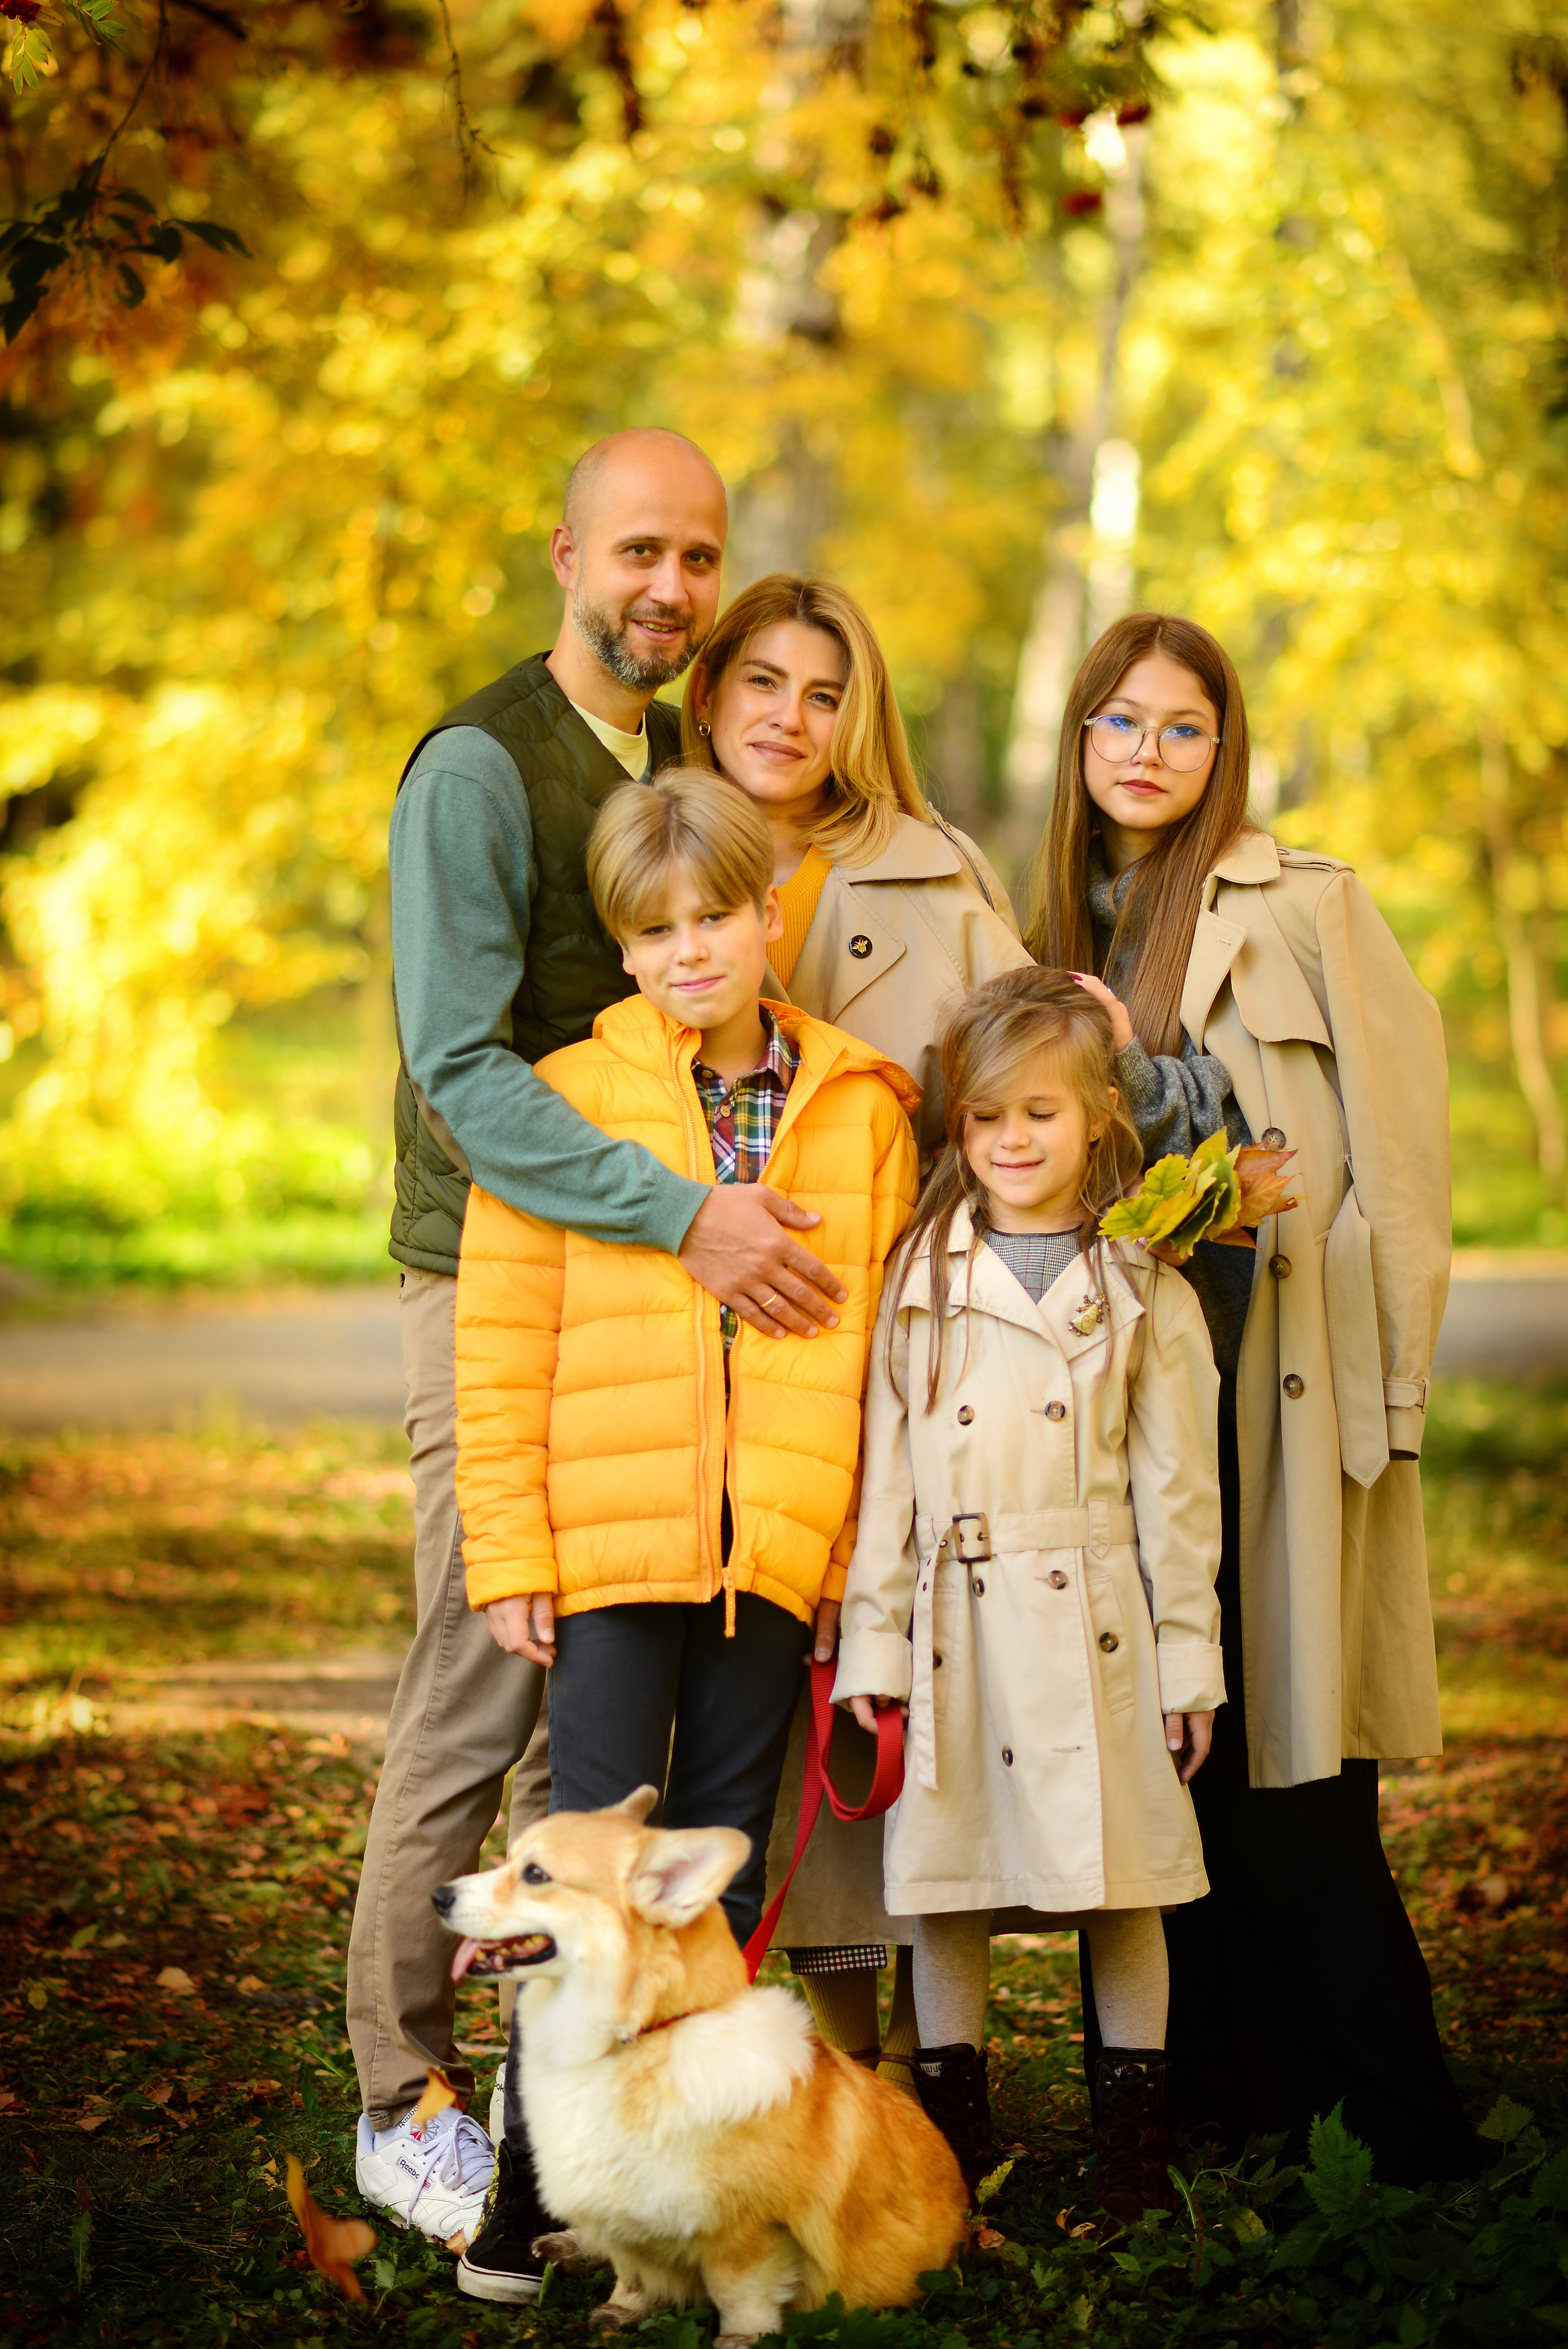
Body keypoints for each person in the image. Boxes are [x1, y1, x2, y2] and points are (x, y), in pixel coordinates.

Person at [350, 429, 850, 2274]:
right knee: (480, 1690)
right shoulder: (482, 768)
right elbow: (460, 1072)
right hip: (490, 1276)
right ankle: (402, 2095)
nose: (670, 586)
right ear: (566, 550)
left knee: (605, 1730)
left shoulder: (662, 759)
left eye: (699, 557)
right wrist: (690, 1215)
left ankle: (599, 2124)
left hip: (636, 1300)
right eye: (641, 548)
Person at [451, 768, 919, 2295]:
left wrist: (847, 1563)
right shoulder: (570, 1101)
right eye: (651, 932)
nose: (688, 952)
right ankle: (531, 2190)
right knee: (575, 1876)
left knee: (708, 1897)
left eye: (714, 915)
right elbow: (503, 1334)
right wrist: (512, 1550)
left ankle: (691, 2198)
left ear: (769, 910)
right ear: (622, 948)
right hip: (608, 1547)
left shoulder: (856, 1106)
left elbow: (879, 1363)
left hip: (770, 1556)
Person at [1027, 609, 1477, 2184]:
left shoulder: (1307, 908)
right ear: (1078, 741)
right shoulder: (1045, 925)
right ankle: (1227, 2114)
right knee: (1171, 1763)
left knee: (1296, 1778)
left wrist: (1391, 1393)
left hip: (1278, 1391)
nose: (1146, 754)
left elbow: (1404, 1160)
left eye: (1182, 728)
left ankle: (1406, 2133)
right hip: (1127, 1403)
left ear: (1223, 752)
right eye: (1119, 724)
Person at [685, 572, 1032, 2071]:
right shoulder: (651, 853)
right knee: (703, 1728)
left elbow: (1013, 1105)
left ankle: (892, 2075)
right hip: (684, 1359)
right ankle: (734, 2062)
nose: (790, 718)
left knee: (859, 1696)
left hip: (876, 1353)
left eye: (824, 695)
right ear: (711, 696)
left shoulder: (936, 877)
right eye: (762, 682)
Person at [832, 966, 1226, 2214]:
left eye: (1040, 1115)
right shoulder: (918, 1280)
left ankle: (1130, 2165)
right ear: (961, 1129)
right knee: (948, 1883)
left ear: (1099, 1118)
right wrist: (875, 1653)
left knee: (1122, 1884)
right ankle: (951, 2156)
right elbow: (886, 1482)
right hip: (955, 1625)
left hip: (1100, 1626)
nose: (1012, 1140)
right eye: (987, 1117)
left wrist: (1188, 1663)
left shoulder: (1145, 1284)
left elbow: (1179, 1498)